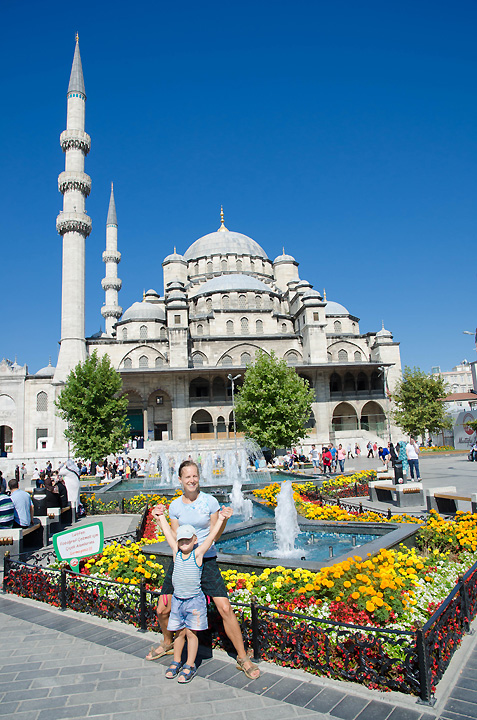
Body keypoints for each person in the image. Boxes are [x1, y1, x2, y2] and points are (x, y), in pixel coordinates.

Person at [145, 460, 260, 679]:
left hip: (205, 559)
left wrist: (223, 520)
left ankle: (243, 656)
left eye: (195, 476)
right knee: (162, 609)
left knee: (224, 608)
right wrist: (160, 519)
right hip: (181, 563)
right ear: (180, 480)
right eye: (187, 477)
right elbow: (176, 538)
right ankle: (168, 642)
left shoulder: (210, 502)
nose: (191, 480)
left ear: (199, 478)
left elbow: (215, 535)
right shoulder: (176, 506)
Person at [152, 505, 231, 683]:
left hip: (194, 602)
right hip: (178, 601)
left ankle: (190, 664)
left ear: (195, 540)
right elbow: (167, 534)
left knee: (191, 633)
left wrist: (220, 519)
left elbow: (210, 538)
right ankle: (176, 661)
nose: (184, 543)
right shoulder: (176, 554)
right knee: (179, 632)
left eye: (187, 540)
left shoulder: (198, 554)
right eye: (181, 540)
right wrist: (161, 517)